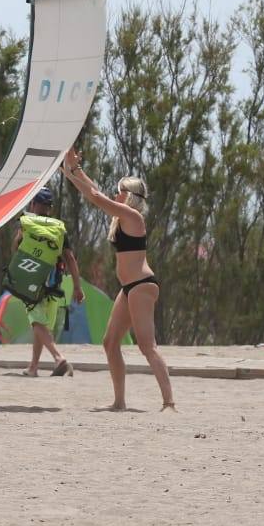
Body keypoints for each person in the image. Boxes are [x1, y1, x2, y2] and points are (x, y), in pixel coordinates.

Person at [61, 147, 174, 411]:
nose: (116, 193)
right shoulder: (121, 217)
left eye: (120, 191)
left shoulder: (132, 216)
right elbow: (94, 193)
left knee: (148, 346)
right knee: (110, 343)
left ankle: (169, 402)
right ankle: (119, 402)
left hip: (142, 286)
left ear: (131, 196)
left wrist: (74, 170)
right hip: (129, 288)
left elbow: (95, 196)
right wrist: (70, 171)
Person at [12, 187, 85, 377]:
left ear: (33, 204)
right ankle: (33, 367)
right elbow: (70, 258)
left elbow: (16, 249)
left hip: (32, 281)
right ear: (49, 208)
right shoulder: (58, 228)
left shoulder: (27, 224)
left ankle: (58, 358)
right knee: (42, 326)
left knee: (36, 323)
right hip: (54, 284)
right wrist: (77, 286)